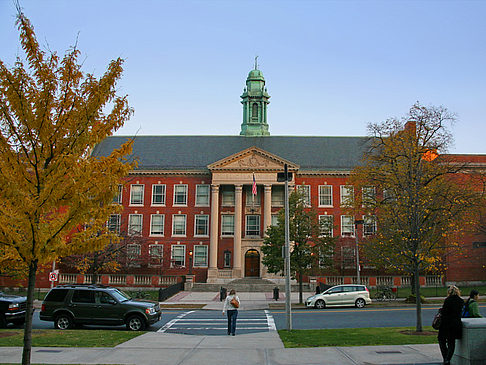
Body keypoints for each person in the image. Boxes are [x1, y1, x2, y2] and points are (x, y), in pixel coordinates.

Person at [438, 285, 464, 365]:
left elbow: (444, 312)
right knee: (451, 342)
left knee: (441, 340)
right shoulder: (461, 301)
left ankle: (446, 358)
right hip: (456, 324)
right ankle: (448, 359)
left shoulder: (447, 300)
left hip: (446, 324)